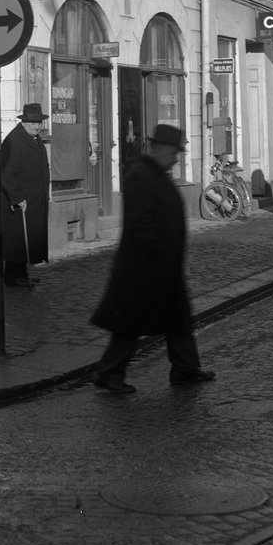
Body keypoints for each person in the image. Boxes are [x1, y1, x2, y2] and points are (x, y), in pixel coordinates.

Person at [90, 125, 214, 394]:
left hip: (162, 266)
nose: (177, 158)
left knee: (178, 320)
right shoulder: (141, 176)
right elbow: (140, 221)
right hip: (143, 268)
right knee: (129, 324)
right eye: (174, 152)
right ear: (158, 149)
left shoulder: (156, 174)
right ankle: (109, 373)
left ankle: (186, 368)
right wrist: (158, 251)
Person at [0, 103, 50, 289]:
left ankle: (22, 273)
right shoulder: (15, 141)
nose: (37, 126)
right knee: (18, 238)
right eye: (34, 122)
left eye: (39, 122)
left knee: (26, 238)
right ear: (24, 122)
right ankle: (13, 275)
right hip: (22, 201)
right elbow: (5, 174)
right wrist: (17, 197)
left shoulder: (32, 137)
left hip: (34, 198)